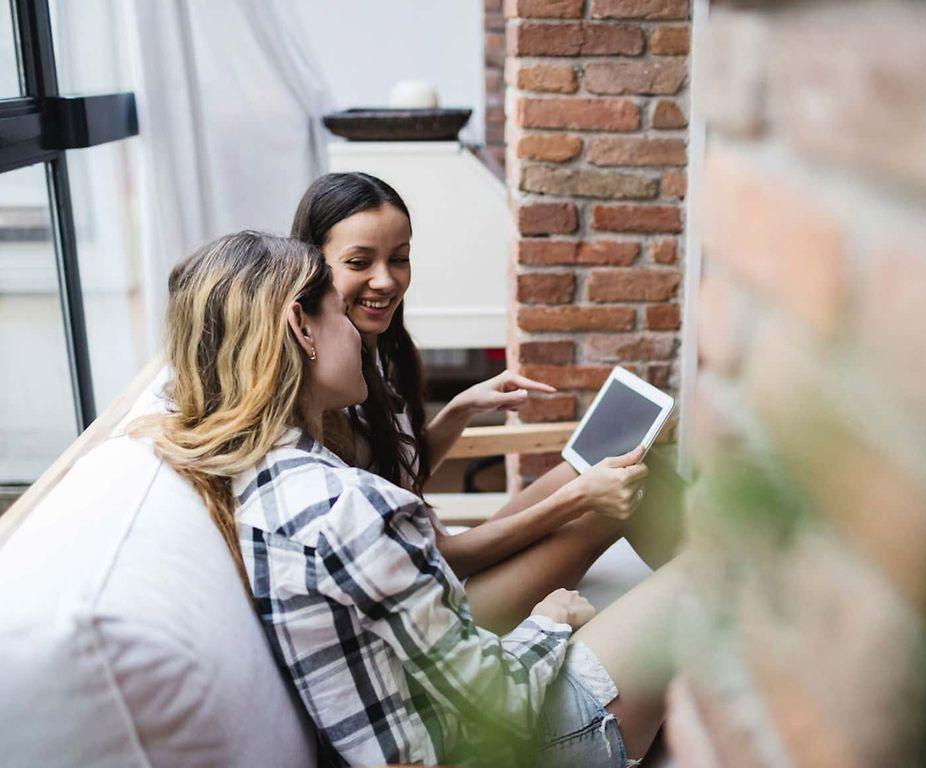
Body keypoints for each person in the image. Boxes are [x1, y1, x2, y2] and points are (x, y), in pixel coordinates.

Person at [136, 230, 681, 766]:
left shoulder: (261, 476)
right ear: (302, 328)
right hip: (507, 742)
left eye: (400, 257)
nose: (355, 329)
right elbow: (504, 702)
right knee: (710, 572)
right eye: (339, 313)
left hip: (430, 716)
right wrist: (550, 621)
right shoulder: (342, 506)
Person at [291, 172, 685, 632]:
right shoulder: (327, 384)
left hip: (430, 566)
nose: (385, 280)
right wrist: (578, 499)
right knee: (618, 491)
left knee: (605, 464)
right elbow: (443, 555)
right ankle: (739, 611)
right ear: (313, 264)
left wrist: (460, 408)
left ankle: (734, 587)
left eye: (399, 259)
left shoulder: (374, 349)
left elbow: (397, 471)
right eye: (359, 262)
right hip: (428, 611)